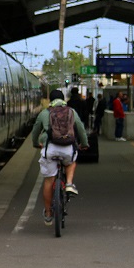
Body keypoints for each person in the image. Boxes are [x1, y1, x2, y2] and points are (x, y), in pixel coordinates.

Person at [31, 89, 89, 226]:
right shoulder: (71, 112)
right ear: (63, 99)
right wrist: (84, 144)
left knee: (48, 180)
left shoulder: (45, 113)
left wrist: (36, 144)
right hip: (68, 148)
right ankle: (69, 183)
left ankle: (48, 213)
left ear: (50, 100)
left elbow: (35, 131)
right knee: (71, 162)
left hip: (50, 149)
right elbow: (80, 128)